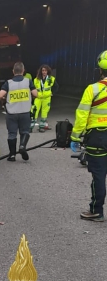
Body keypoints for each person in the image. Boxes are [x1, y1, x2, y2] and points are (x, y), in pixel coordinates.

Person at [70, 50, 107, 223]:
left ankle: (96, 210)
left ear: (100, 69)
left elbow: (82, 115)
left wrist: (75, 137)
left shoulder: (92, 89)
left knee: (99, 176)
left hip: (97, 138)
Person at [0, 62, 38, 161]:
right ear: (23, 71)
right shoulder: (28, 81)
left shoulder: (9, 83)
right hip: (25, 112)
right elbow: (35, 94)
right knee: (25, 131)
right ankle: (22, 146)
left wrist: (4, 100)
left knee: (12, 134)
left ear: (13, 71)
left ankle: (12, 155)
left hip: (12, 113)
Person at [33, 64, 59, 132]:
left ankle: (42, 127)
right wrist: (34, 94)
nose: (44, 72)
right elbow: (32, 88)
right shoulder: (36, 79)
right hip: (38, 97)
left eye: (45, 70)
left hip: (46, 98)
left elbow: (56, 87)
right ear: (40, 71)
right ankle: (30, 127)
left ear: (48, 71)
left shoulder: (51, 79)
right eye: (43, 70)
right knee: (34, 110)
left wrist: (52, 93)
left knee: (44, 113)